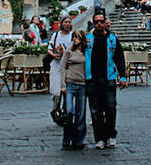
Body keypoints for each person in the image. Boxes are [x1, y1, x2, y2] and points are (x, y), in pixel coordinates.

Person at [85, 12, 127, 149]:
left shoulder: (113, 39)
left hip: (109, 78)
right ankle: (100, 138)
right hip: (92, 79)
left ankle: (111, 134)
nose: (98, 24)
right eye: (96, 22)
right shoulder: (88, 39)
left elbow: (119, 58)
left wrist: (123, 76)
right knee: (95, 110)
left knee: (110, 108)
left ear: (104, 23)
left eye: (101, 21)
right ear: (93, 23)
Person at [60, 32, 88, 149]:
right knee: (69, 111)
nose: (75, 40)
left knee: (80, 114)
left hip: (82, 84)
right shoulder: (69, 51)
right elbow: (62, 67)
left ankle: (78, 140)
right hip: (70, 83)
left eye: (77, 38)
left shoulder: (86, 51)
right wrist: (63, 85)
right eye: (74, 38)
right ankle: (67, 139)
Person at [47, 15, 75, 112]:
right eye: (65, 22)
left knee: (66, 90)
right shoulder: (56, 35)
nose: (67, 24)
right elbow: (49, 49)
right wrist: (54, 55)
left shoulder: (73, 36)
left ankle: (66, 110)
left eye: (69, 22)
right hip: (56, 65)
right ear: (61, 23)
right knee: (56, 91)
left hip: (68, 67)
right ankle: (55, 107)